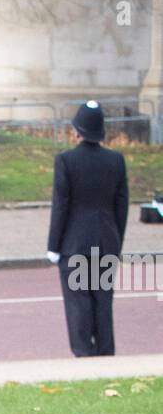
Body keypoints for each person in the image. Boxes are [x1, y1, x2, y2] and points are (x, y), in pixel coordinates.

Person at [47, 100, 129, 356]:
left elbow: (61, 206)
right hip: (106, 240)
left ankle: (84, 352)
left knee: (78, 300)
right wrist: (116, 241)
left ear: (77, 131)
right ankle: (105, 351)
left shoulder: (66, 160)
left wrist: (53, 246)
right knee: (103, 300)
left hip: (75, 243)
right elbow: (121, 206)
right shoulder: (116, 160)